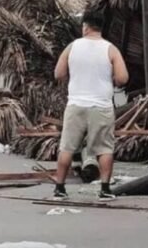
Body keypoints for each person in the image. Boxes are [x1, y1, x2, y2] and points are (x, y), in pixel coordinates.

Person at [53, 10, 129, 200]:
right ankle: (105, 190)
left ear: (85, 26)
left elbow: (58, 74)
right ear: (101, 27)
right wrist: (111, 79)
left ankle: (59, 189)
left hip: (76, 104)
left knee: (67, 147)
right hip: (101, 106)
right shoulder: (110, 49)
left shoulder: (72, 47)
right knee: (104, 148)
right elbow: (122, 78)